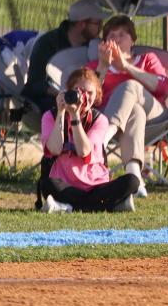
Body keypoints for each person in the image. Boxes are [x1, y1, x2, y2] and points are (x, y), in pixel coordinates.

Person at [85, 14, 168, 197]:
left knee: (130, 86)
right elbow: (89, 100)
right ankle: (135, 179)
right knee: (135, 112)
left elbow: (164, 87)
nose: (116, 39)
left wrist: (127, 67)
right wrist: (102, 67)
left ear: (133, 40)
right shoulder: (94, 66)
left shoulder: (148, 59)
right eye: (111, 35)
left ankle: (102, 139)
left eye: (122, 34)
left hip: (155, 117)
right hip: (124, 119)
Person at [39, 67, 140, 213]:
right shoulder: (50, 116)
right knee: (47, 184)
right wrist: (61, 113)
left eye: (90, 93)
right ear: (68, 91)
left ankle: (66, 207)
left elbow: (84, 152)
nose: (84, 96)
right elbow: (54, 150)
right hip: (65, 183)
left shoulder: (100, 120)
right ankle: (111, 206)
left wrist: (75, 117)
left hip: (95, 184)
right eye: (79, 91)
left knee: (132, 181)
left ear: (97, 95)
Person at [21, 0, 104, 117]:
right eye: (97, 23)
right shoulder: (48, 43)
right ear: (82, 24)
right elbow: (34, 84)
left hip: (86, 103)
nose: (101, 28)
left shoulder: (95, 46)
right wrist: (63, 95)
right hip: (50, 104)